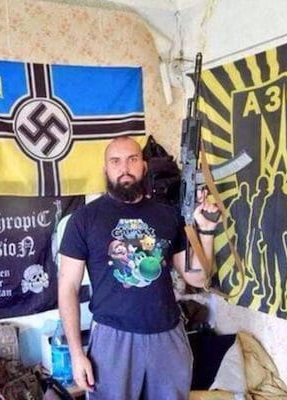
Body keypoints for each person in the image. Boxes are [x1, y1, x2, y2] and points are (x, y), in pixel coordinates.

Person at [58, 136, 219, 400]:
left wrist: (207, 231)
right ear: (105, 169)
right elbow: (67, 288)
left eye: (132, 159)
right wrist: (77, 353)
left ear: (144, 166)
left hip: (167, 335)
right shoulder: (84, 219)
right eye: (116, 161)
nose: (124, 168)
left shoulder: (168, 215)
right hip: (113, 339)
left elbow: (198, 278)